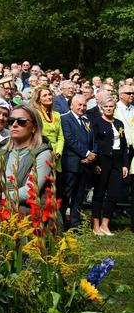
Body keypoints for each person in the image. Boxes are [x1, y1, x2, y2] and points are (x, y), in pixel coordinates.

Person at [0, 105, 53, 211]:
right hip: (0, 212)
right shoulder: (0, 150)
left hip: (28, 216)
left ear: (34, 127)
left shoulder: (43, 153)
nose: (14, 125)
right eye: (11, 121)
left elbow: (30, 191)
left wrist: (0, 197)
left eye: (21, 121)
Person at [92, 96, 129, 235]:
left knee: (114, 193)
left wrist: (125, 164)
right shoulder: (96, 122)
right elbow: (93, 143)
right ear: (102, 107)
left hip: (117, 161)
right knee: (99, 193)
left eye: (111, 106)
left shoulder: (119, 123)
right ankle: (96, 225)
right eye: (106, 106)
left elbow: (124, 145)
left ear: (115, 108)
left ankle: (105, 224)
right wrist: (95, 163)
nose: (108, 108)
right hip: (102, 161)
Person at [61, 94, 96, 229]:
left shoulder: (87, 120)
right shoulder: (65, 119)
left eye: (84, 105)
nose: (82, 108)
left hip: (86, 164)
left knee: (79, 195)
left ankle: (75, 223)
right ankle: (62, 222)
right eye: (79, 105)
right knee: (66, 195)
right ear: (71, 105)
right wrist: (87, 153)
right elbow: (69, 140)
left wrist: (93, 154)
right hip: (71, 164)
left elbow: (93, 140)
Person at [31, 84, 65, 174]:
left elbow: (61, 137)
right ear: (38, 100)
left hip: (57, 157)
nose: (49, 97)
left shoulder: (56, 114)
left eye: (50, 94)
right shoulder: (36, 114)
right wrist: (48, 151)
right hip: (42, 152)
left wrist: (58, 152)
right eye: (45, 95)